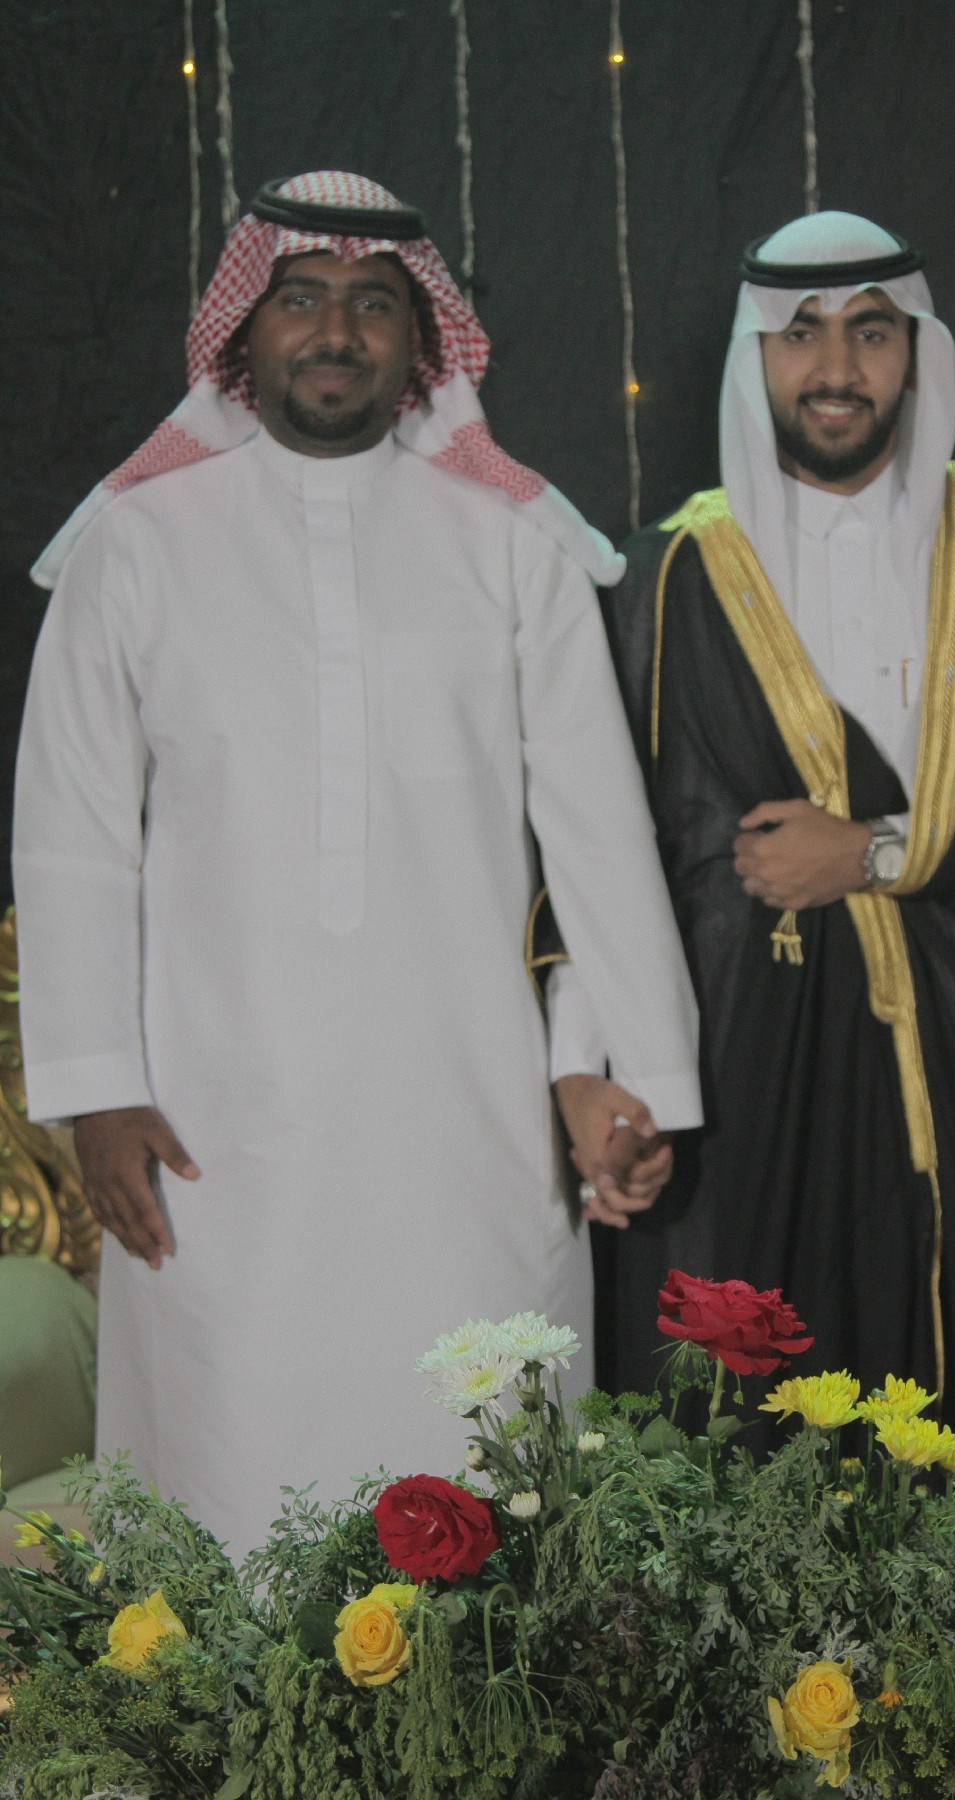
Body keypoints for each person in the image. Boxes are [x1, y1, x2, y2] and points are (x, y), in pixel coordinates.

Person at [13, 171, 701, 1557]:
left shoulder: (512, 543)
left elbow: (597, 830)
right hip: (213, 1125)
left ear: (421, 340)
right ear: (242, 329)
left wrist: (639, 1073)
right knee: (227, 1484)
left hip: (468, 1123)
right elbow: (72, 832)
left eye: (374, 304)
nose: (336, 331)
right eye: (303, 298)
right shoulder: (135, 546)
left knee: (480, 1473)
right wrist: (95, 1091)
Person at [548, 210, 955, 1506]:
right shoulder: (671, 576)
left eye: (872, 333)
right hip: (751, 1104)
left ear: (916, 352)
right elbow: (608, 850)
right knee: (755, 1457)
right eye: (801, 335)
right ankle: (799, 1663)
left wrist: (878, 852)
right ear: (755, 358)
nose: (836, 367)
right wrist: (586, 1070)